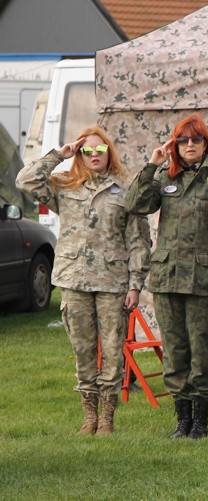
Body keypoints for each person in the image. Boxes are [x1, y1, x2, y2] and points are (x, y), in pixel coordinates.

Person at [16, 127, 150, 435]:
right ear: (79, 153)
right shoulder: (64, 186)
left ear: (109, 153)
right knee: (83, 351)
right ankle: (89, 416)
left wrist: (135, 284)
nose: (94, 156)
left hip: (113, 283)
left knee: (114, 352)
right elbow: (24, 181)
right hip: (75, 280)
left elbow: (138, 241)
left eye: (100, 150)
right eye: (87, 151)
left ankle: (107, 419)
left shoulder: (125, 190)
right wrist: (58, 156)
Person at [125, 113, 208, 439]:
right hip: (167, 277)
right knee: (175, 351)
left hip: (201, 281)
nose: (190, 145)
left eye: (196, 139)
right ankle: (182, 419)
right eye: (183, 140)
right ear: (174, 145)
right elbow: (135, 204)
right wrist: (151, 164)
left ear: (206, 144)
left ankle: (201, 420)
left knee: (200, 350)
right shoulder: (163, 177)